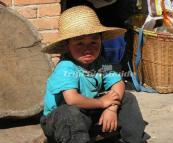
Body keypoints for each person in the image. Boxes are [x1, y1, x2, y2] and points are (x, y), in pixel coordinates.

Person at [40, 5, 148, 143]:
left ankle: (135, 140)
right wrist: (102, 102)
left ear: (101, 41)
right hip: (58, 121)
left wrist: (111, 108)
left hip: (88, 113)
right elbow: (72, 99)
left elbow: (118, 83)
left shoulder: (102, 63)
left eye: (93, 42)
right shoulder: (65, 67)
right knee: (70, 113)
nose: (88, 49)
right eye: (79, 43)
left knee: (127, 98)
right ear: (67, 46)